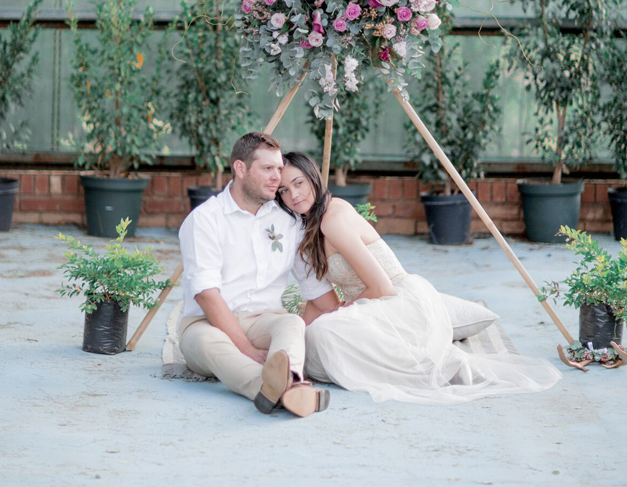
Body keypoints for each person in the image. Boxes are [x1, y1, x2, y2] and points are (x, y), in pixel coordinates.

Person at [276, 152, 562, 404]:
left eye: (298, 183)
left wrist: (336, 314)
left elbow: (381, 287)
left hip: (395, 301)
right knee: (311, 333)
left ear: (313, 176)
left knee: (325, 333)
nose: (293, 195)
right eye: (283, 191)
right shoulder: (311, 228)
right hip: (369, 305)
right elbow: (319, 300)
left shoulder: (333, 219)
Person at [178, 132, 332, 417]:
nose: (277, 177)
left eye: (279, 169)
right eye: (268, 169)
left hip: (264, 321)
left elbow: (312, 284)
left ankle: (281, 390)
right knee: (209, 344)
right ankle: (289, 391)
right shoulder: (205, 219)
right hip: (207, 323)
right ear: (240, 168)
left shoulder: (288, 221)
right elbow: (207, 295)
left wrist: (352, 315)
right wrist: (247, 349)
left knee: (291, 323)